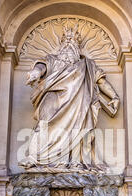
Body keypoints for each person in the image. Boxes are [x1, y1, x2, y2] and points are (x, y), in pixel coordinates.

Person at [19, 25, 120, 171]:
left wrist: (114, 96)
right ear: (61, 45)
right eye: (66, 41)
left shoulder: (87, 65)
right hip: (52, 100)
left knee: (79, 129)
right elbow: (41, 67)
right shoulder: (52, 60)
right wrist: (35, 73)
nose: (68, 44)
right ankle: (36, 158)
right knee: (44, 125)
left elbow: (101, 82)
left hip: (79, 103)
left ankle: (74, 162)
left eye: (72, 42)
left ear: (77, 47)